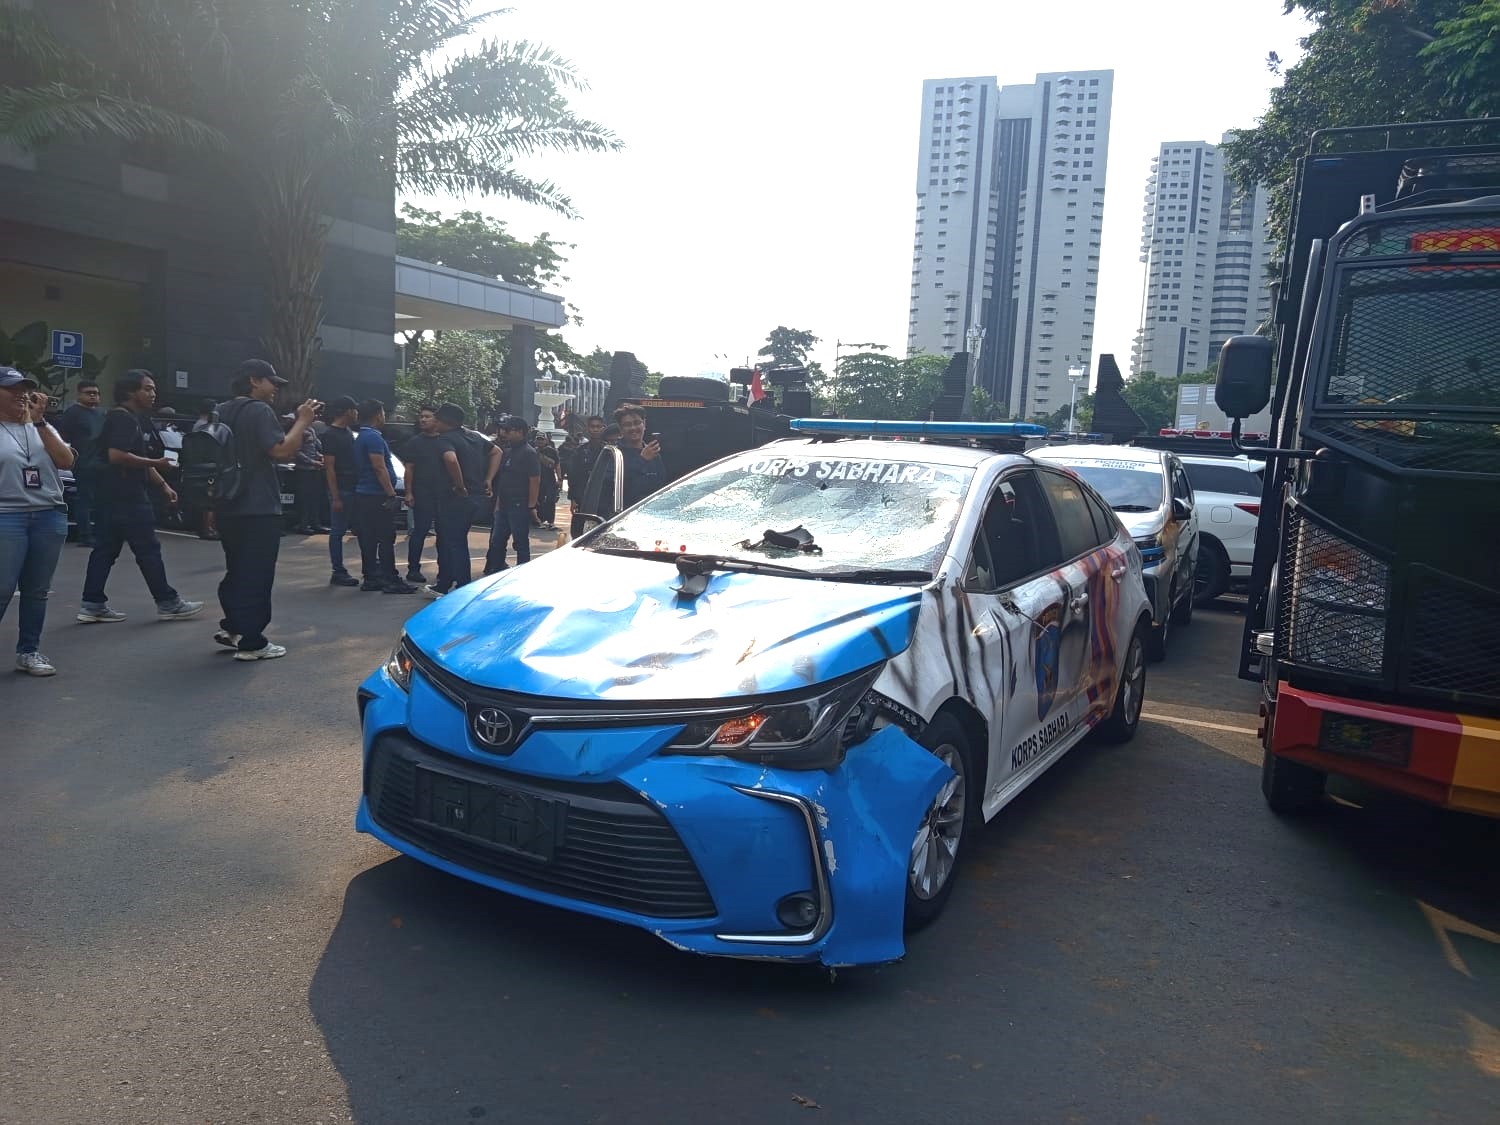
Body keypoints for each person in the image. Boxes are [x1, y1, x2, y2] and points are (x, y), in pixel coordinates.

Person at [214, 358, 322, 660]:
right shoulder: (259, 410)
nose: (276, 388)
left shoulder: (221, 410)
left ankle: (233, 626)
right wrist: (303, 420)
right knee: (257, 573)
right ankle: (253, 641)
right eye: (272, 382)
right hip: (258, 505)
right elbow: (281, 450)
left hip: (227, 501)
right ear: (254, 380)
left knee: (237, 568)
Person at [78, 369, 203, 625]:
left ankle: (92, 604)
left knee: (105, 550)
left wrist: (163, 485)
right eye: (147, 388)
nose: (153, 394)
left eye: (153, 389)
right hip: (127, 496)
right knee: (148, 550)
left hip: (110, 495)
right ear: (130, 391)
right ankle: (168, 602)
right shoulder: (123, 419)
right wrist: (157, 462)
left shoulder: (125, 418)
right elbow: (117, 455)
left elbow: (138, 459)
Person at [0, 370, 74, 675]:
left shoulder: (43, 427)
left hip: (48, 514)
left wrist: (40, 422)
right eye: (12, 389)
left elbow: (66, 460)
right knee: (3, 588)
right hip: (7, 515)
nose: (21, 394)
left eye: (25, 389)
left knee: (37, 590)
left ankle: (29, 652)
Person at [412, 402, 476, 599]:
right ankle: (444, 583)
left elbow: (450, 459)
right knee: (453, 541)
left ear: (446, 422)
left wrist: (459, 485)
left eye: (436, 419)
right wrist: (487, 480)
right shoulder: (472, 437)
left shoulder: (445, 439)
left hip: (453, 498)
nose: (433, 421)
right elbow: (495, 452)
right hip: (469, 498)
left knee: (453, 543)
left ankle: (461, 586)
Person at [352, 399, 414, 594]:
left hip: (365, 494)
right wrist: (390, 493)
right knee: (386, 537)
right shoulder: (373, 438)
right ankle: (390, 578)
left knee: (369, 537)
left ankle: (371, 576)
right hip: (377, 494)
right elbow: (379, 467)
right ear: (378, 415)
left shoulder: (362, 436)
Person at [483, 416, 540, 575]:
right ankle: (496, 569)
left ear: (520, 432)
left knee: (520, 541)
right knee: (497, 540)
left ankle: (522, 572)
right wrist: (498, 503)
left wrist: (531, 506)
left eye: (508, 430)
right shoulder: (508, 451)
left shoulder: (529, 453)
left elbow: (535, 480)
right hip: (504, 504)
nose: (504, 433)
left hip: (519, 504)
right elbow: (503, 479)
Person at [56, 379, 104, 547]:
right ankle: (85, 536)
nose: (93, 396)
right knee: (85, 499)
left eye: (96, 393)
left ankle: (100, 533)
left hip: (101, 463)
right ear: (79, 394)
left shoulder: (101, 414)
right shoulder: (72, 413)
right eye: (89, 393)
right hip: (83, 463)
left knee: (101, 499)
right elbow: (62, 438)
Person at [320, 395, 361, 586]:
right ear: (348, 411)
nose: (357, 413)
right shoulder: (330, 435)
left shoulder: (348, 432)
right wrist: (335, 496)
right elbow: (329, 467)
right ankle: (337, 570)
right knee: (338, 531)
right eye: (355, 410)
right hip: (342, 488)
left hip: (354, 486)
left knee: (360, 528)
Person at [402, 404, 443, 584]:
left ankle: (445, 570)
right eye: (421, 416)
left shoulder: (445, 441)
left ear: (437, 420)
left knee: (444, 533)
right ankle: (413, 569)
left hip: (443, 494)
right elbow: (409, 469)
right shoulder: (415, 442)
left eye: (428, 416)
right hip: (422, 493)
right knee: (419, 531)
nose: (423, 419)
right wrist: (409, 492)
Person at [566, 414, 607, 536]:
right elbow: (573, 476)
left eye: (598, 427)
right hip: (583, 496)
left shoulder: (609, 450)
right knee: (579, 532)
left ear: (603, 428)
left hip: (604, 496)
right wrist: (573, 499)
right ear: (587, 429)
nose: (595, 429)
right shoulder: (579, 451)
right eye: (592, 426)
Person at [189, 399, 220, 540]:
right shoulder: (204, 426)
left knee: (208, 499)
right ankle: (208, 529)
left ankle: (208, 528)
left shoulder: (199, 425)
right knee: (210, 499)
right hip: (206, 466)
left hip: (201, 465)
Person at [291, 420, 327, 534]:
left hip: (314, 470)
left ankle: (315, 523)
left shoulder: (311, 430)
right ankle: (303, 525)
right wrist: (312, 461)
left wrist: (319, 456)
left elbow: (314, 448)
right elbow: (297, 451)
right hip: (304, 470)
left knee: (315, 497)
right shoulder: (298, 430)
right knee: (305, 498)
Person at [534, 431, 561, 531]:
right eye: (538, 439)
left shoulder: (552, 451)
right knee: (539, 500)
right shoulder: (533, 451)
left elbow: (557, 465)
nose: (540, 441)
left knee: (551, 500)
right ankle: (540, 520)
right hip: (537, 480)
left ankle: (551, 522)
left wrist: (560, 478)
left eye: (542, 439)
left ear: (546, 440)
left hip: (550, 479)